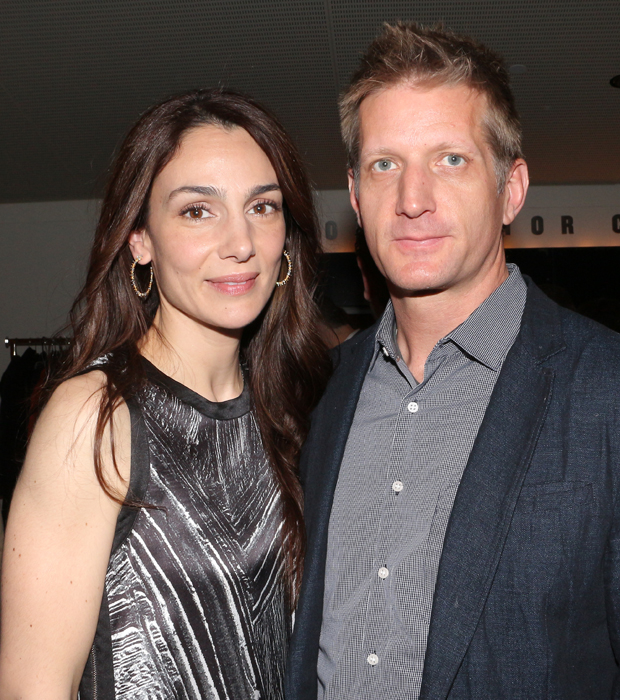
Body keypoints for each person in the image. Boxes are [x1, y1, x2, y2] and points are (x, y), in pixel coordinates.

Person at [286, 22, 620, 700]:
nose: (413, 200)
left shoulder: (605, 389)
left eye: (451, 160)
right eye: (385, 164)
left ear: (512, 188)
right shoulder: (317, 391)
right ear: (354, 195)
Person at [0, 88, 330, 700]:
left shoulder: (289, 409)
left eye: (263, 207)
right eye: (197, 211)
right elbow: (31, 688)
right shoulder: (95, 418)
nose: (241, 242)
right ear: (140, 241)